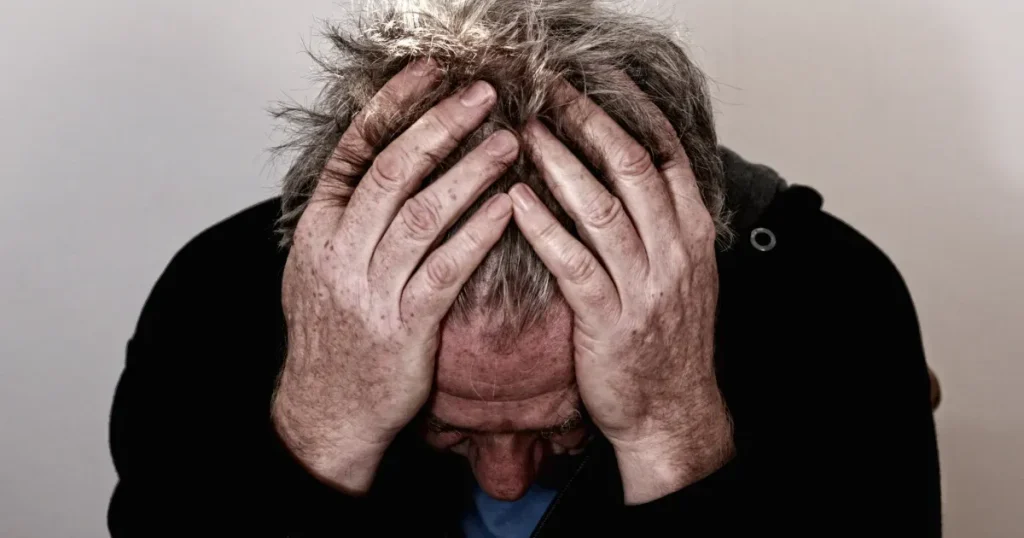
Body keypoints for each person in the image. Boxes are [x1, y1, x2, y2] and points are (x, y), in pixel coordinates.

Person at [107, 0, 942, 536]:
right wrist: (322, 436)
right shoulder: (214, 300)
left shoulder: (836, 302)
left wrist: (670, 434)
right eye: (451, 426)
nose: (506, 484)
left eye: (561, 423)